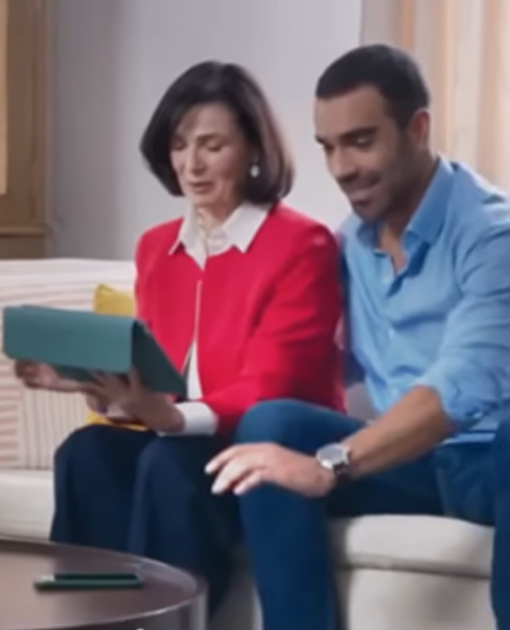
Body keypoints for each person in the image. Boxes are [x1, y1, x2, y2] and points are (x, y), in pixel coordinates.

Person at [15, 61, 344, 615]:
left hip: (262, 446)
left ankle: (164, 624)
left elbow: (273, 383)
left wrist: (169, 419)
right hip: (182, 439)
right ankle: (86, 620)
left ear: (254, 149)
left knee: (168, 463)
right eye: (179, 145)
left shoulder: (301, 244)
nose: (192, 165)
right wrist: (95, 387)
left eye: (213, 146)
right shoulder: (157, 248)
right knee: (87, 452)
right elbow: (160, 377)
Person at [207, 44, 510, 629]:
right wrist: (141, 392)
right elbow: (296, 357)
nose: (342, 167)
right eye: (328, 147)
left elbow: (465, 384)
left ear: (417, 129)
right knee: (271, 426)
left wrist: (333, 464)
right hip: (409, 464)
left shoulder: (492, 236)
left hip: (488, 461)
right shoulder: (347, 245)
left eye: (361, 141)